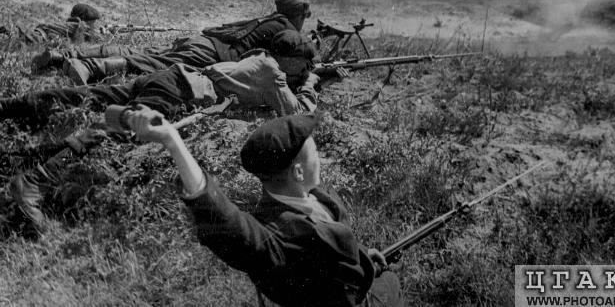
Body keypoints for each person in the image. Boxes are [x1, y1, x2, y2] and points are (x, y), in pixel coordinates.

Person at [125, 108, 405, 307]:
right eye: (315, 154)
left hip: (356, 282)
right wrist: (173, 141)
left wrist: (362, 255)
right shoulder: (273, 237)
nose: (319, 159)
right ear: (298, 172)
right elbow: (224, 220)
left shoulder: (316, 196)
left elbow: (331, 244)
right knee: (392, 283)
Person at [0, 30, 319, 125]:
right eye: (303, 64)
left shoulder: (259, 58)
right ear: (289, 60)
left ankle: (11, 107)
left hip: (170, 78)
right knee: (123, 132)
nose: (305, 69)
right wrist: (310, 84)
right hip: (176, 93)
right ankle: (35, 177)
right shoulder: (274, 73)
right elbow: (297, 113)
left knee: (91, 97)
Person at [58, 0, 313, 85]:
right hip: (211, 53)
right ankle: (91, 67)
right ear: (298, 15)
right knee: (156, 64)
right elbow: (296, 51)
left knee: (148, 54)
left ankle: (65, 55)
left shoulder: (270, 19)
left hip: (201, 41)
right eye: (303, 16)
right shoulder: (286, 27)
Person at [1, 3, 103, 45]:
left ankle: (10, 32)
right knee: (22, 38)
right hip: (42, 35)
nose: (93, 25)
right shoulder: (78, 25)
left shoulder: (71, 24)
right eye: (92, 22)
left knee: (21, 38)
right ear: (84, 20)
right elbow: (79, 43)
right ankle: (10, 32)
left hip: (42, 32)